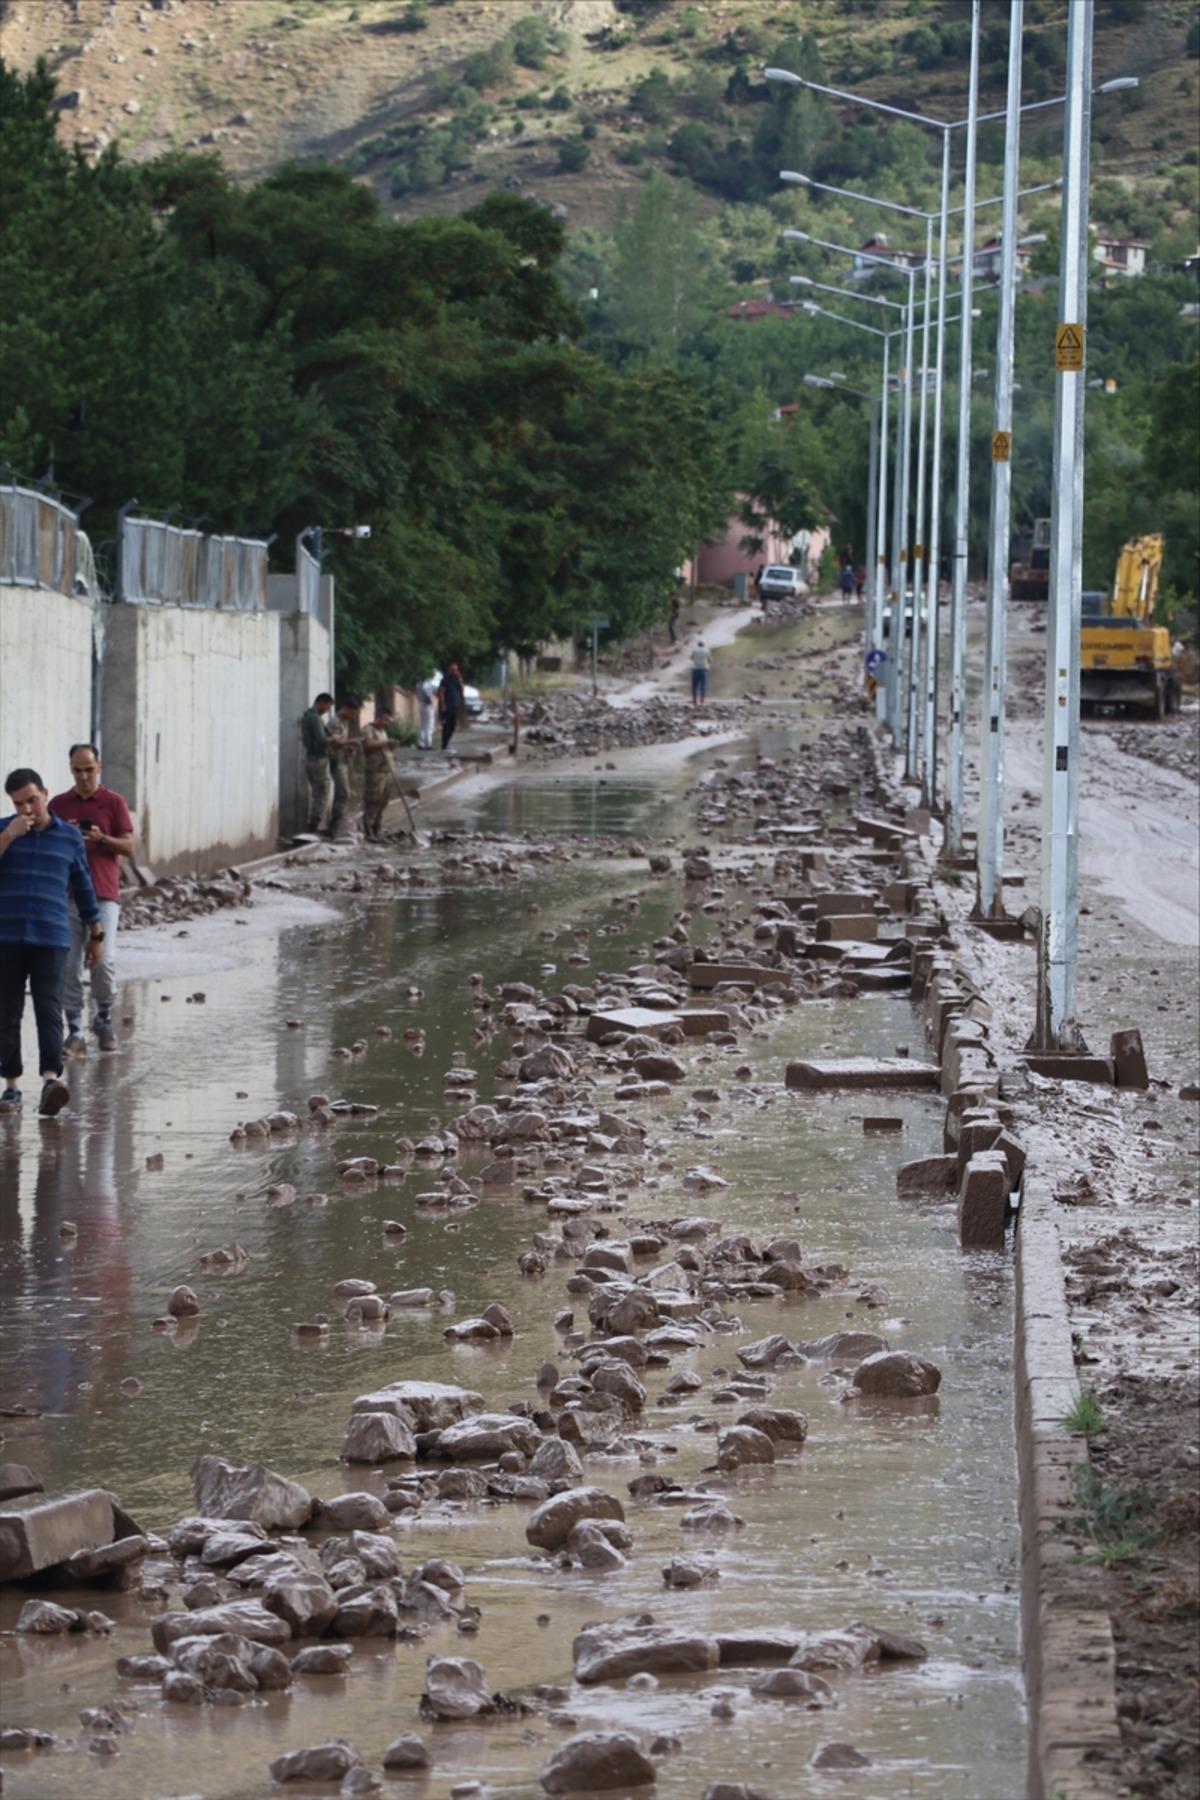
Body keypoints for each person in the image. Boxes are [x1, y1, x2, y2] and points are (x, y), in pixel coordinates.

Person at [0, 768, 104, 1115]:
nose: (27, 808)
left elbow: (85, 886)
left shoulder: (70, 838)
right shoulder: (4, 830)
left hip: (52, 937)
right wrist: (7, 838)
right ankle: (11, 1088)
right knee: (7, 1012)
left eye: (32, 799)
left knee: (49, 1009)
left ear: (45, 794)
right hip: (7, 937)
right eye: (19, 804)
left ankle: (49, 1081)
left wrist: (96, 932)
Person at [49, 743, 134, 1054]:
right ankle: (74, 1029)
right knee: (68, 965)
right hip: (66, 897)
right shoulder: (59, 804)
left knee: (104, 961)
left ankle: (103, 1017)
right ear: (71, 770)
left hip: (103, 895)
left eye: (89, 769)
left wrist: (102, 839)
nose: (84, 775)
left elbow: (129, 846)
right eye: (77, 770)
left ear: (99, 767)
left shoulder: (113, 802)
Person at [299, 692, 335, 832]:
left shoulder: (308, 716)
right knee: (322, 793)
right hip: (318, 760)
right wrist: (334, 739)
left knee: (317, 793)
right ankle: (314, 827)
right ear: (321, 702)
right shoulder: (314, 718)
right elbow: (321, 740)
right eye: (328, 707)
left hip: (312, 759)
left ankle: (314, 825)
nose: (327, 710)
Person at [326, 699, 362, 835]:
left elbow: (343, 742)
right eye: (352, 713)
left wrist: (349, 747)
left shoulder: (345, 722)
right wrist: (350, 742)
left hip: (343, 760)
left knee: (346, 793)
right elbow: (333, 742)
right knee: (343, 792)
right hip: (335, 761)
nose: (353, 716)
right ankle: (334, 826)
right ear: (346, 708)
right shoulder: (334, 722)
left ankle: (338, 823)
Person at [361, 707, 396, 841]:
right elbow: (368, 744)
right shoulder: (368, 729)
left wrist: (391, 747)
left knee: (383, 801)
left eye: (389, 720)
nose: (388, 722)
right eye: (386, 719)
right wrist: (385, 743)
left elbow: (385, 747)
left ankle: (377, 828)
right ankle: (368, 830)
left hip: (387, 771)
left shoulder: (383, 732)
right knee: (373, 800)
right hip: (375, 771)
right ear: (379, 717)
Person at [439, 665, 465, 753]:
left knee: (452, 726)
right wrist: (443, 704)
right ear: (449, 670)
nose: (454, 671)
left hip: (455, 706)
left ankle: (447, 743)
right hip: (447, 706)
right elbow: (441, 692)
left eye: (456, 670)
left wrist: (460, 678)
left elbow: (462, 689)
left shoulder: (456, 680)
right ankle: (444, 745)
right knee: (446, 726)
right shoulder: (445, 680)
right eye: (453, 670)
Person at [416, 674, 437, 751]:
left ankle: (420, 743)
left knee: (422, 725)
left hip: (421, 705)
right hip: (427, 705)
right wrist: (431, 701)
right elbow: (428, 695)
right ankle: (428, 744)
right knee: (429, 726)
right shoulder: (427, 683)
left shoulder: (418, 684)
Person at [691, 637, 710, 706]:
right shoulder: (707, 650)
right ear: (703, 644)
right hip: (704, 670)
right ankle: (702, 701)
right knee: (703, 686)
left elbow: (692, 658)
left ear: (698, 644)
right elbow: (709, 660)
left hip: (695, 669)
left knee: (694, 686)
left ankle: (695, 701)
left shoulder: (694, 650)